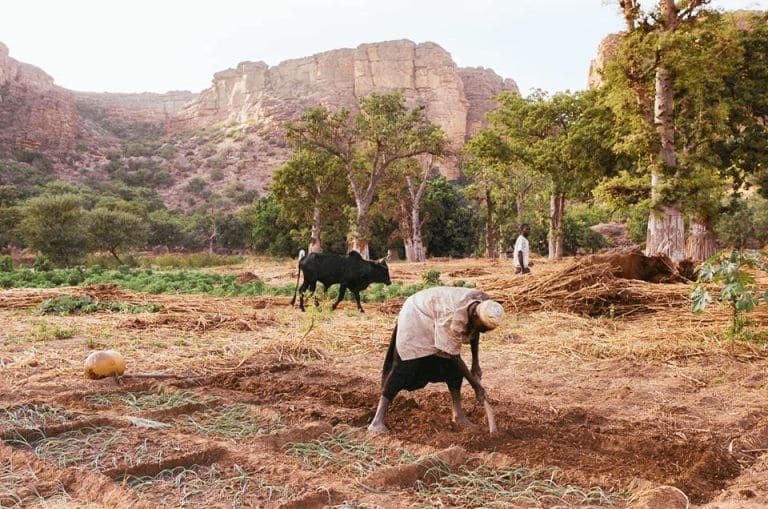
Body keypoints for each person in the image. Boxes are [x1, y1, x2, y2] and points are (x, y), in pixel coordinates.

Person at [368, 286, 504, 433]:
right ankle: (377, 420)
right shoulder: (453, 316)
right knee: (406, 364)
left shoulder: (483, 304)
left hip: (435, 313)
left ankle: (458, 414)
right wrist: (475, 386)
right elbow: (454, 356)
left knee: (452, 370)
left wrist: (475, 363)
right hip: (417, 313)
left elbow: (475, 331)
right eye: (483, 328)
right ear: (475, 317)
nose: (484, 331)